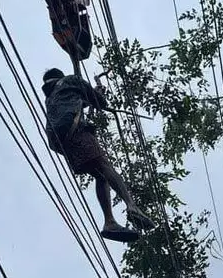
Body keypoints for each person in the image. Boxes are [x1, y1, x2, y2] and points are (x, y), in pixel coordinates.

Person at [41, 68, 154, 242]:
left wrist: (89, 98)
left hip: (62, 143)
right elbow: (100, 102)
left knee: (100, 175)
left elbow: (76, 101)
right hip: (77, 131)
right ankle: (132, 206)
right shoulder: (70, 80)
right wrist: (97, 95)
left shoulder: (51, 98)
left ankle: (109, 222)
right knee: (104, 166)